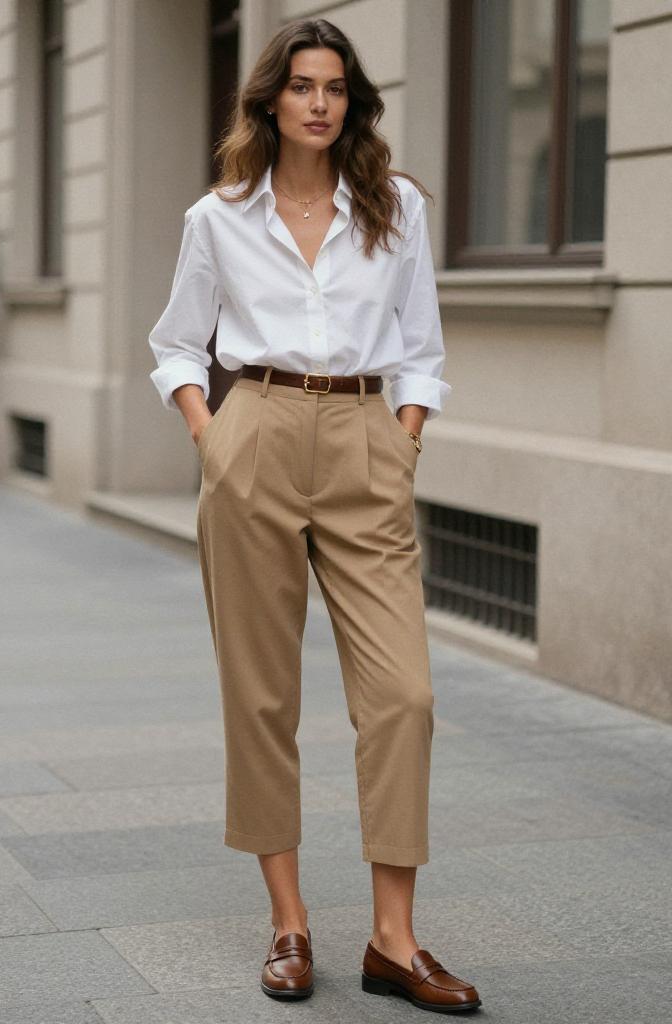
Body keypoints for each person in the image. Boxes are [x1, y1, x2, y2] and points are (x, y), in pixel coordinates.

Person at [147, 17, 482, 1015]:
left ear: (353, 101)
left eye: (335, 86)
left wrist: (403, 437)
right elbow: (174, 345)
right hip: (251, 427)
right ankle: (289, 923)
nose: (320, 102)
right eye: (302, 85)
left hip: (363, 436)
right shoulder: (218, 217)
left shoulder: (396, 210)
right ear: (272, 100)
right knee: (261, 696)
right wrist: (214, 437)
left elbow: (421, 345)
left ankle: (393, 938)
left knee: (404, 696)